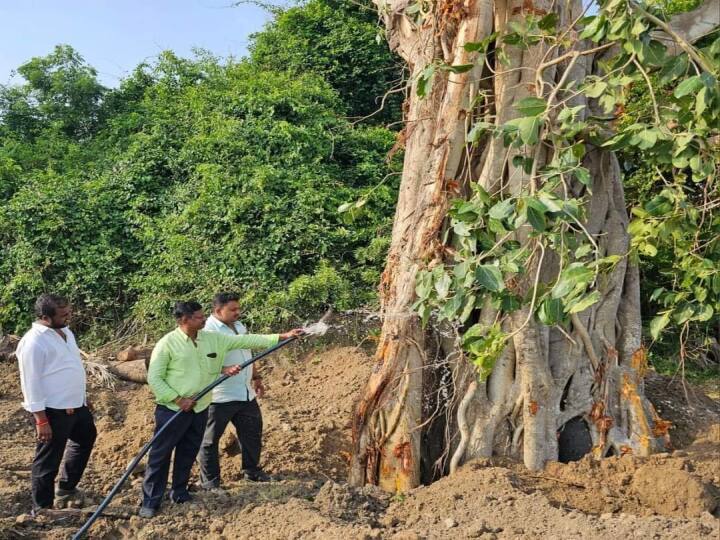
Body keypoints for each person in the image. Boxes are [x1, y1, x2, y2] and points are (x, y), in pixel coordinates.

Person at [139, 300, 302, 518]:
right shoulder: (167, 344)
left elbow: (245, 340)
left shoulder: (211, 338)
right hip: (173, 410)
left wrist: (282, 336)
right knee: (160, 456)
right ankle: (150, 501)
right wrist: (177, 399)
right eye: (198, 317)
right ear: (184, 320)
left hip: (200, 407)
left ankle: (179, 492)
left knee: (187, 453)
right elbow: (155, 378)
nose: (204, 319)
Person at [16, 294, 97, 514]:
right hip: (53, 411)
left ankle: (67, 488)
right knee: (48, 460)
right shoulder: (33, 342)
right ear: (45, 317)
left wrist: (82, 395)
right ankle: (42, 508)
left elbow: (69, 366)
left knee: (85, 438)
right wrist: (41, 420)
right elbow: (30, 382)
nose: (68, 316)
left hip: (76, 405)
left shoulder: (66, 332)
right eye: (63, 314)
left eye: (68, 311)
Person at [197, 292, 272, 489]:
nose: (237, 313)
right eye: (233, 310)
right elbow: (200, 361)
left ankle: (252, 471)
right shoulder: (207, 331)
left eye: (238, 308)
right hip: (219, 396)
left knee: (252, 433)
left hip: (244, 392)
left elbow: (248, 353)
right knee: (209, 440)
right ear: (217, 310)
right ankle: (210, 483)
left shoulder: (239, 326)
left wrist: (256, 377)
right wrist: (222, 369)